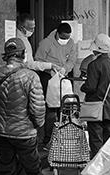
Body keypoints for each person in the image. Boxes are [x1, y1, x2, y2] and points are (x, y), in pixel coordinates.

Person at [0, 37, 46, 175]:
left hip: (1, 132)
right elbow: (37, 108)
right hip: (24, 133)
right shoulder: (31, 76)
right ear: (23, 53)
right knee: (33, 171)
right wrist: (37, 124)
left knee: (4, 170)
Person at [35, 22, 76, 150]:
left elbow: (72, 60)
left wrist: (65, 69)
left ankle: (64, 138)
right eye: (63, 37)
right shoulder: (46, 43)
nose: (65, 40)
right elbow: (38, 60)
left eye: (67, 38)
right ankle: (48, 140)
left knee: (66, 106)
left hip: (63, 77)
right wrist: (50, 69)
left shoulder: (71, 43)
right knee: (51, 108)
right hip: (49, 77)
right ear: (57, 33)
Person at [80, 33, 110, 159]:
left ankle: (96, 169)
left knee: (96, 141)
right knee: (109, 142)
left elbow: (90, 87)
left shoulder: (93, 65)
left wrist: (83, 87)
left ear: (96, 49)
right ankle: (107, 168)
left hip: (96, 109)